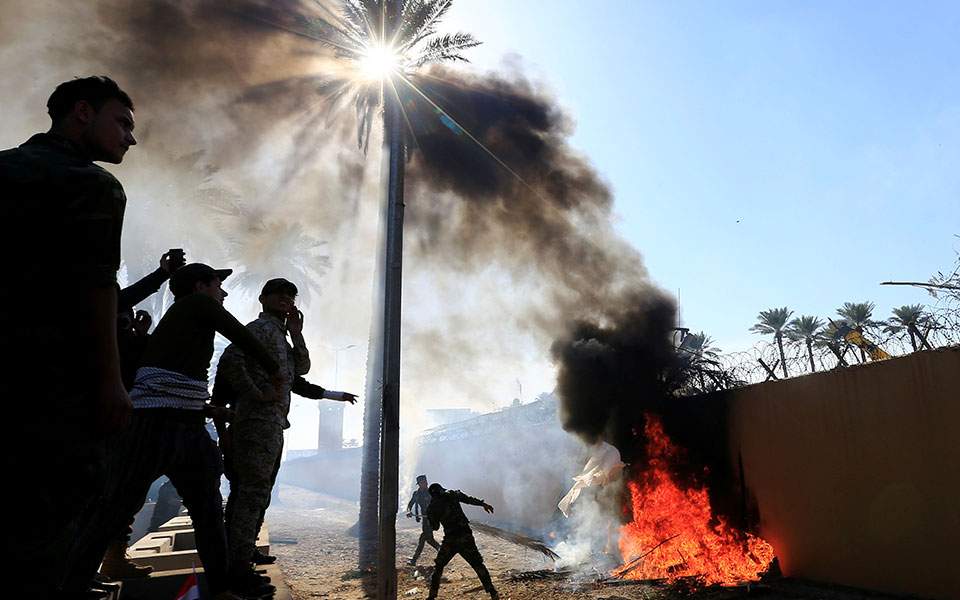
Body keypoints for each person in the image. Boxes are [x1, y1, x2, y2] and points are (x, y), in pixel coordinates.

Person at [66, 263, 283, 600]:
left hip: (185, 423)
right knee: (119, 509)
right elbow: (242, 336)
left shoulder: (178, 324)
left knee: (206, 510)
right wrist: (274, 371)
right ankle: (72, 584)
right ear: (200, 287)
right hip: (157, 425)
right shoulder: (197, 305)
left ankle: (223, 587)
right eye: (217, 285)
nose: (222, 293)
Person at [0, 75, 136, 598]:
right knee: (48, 538)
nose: (130, 138)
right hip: (54, 392)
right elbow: (96, 286)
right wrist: (110, 383)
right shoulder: (94, 185)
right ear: (82, 112)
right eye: (122, 123)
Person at [213, 277, 357, 588]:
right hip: (254, 423)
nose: (285, 298)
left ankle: (243, 552)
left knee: (257, 494)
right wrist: (256, 395)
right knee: (249, 494)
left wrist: (297, 334)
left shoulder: (282, 337)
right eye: (278, 293)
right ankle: (237, 569)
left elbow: (300, 374)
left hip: (272, 425)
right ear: (263, 298)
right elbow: (230, 363)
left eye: (290, 295)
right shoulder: (258, 329)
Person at [425, 483, 499, 600]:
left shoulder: (432, 507)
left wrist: (430, 517)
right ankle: (492, 592)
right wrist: (483, 504)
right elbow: (468, 500)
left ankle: (431, 596)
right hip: (465, 537)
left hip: (450, 540)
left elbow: (435, 527)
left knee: (439, 566)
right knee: (477, 564)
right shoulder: (452, 494)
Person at [406, 475, 441, 565]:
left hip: (432, 520)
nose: (425, 484)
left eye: (426, 482)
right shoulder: (416, 494)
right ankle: (441, 550)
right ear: (419, 484)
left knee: (422, 538)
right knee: (429, 540)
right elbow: (410, 504)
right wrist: (409, 511)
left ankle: (414, 560)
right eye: (423, 483)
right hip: (425, 520)